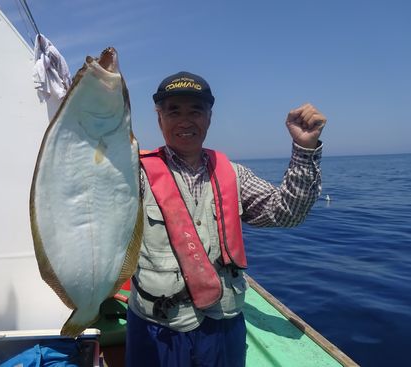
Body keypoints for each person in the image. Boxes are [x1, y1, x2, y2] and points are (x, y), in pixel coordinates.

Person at [126, 71, 326, 367]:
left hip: (223, 323)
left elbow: (287, 213)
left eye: (196, 111)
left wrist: (305, 149)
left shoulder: (234, 174)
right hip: (158, 326)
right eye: (173, 111)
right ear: (159, 119)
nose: (185, 120)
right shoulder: (134, 174)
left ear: (209, 118)